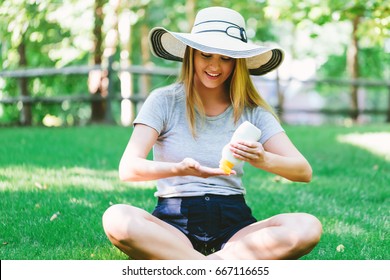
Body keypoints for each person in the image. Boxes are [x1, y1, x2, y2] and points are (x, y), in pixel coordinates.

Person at [102, 6, 322, 260]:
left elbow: (303, 171)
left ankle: (196, 266)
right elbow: (128, 168)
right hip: (174, 224)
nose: (215, 66)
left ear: (237, 62)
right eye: (206, 55)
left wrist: (263, 159)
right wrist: (180, 168)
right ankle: (219, 267)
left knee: (307, 226)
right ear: (192, 55)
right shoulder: (163, 101)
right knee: (117, 218)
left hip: (234, 225)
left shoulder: (254, 112)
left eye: (226, 58)